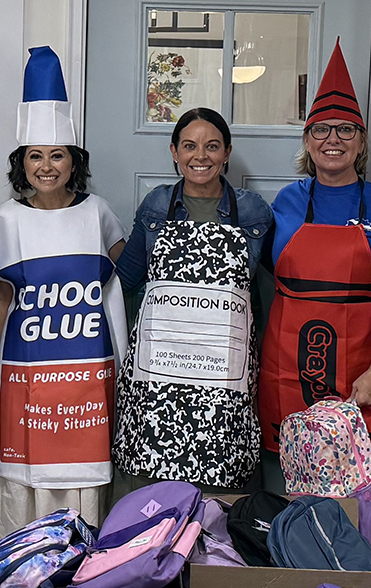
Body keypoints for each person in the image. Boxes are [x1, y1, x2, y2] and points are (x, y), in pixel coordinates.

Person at [0, 48, 128, 537]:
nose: (46, 166)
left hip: (86, 373)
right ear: (22, 162)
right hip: (27, 372)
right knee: (23, 473)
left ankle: (80, 580)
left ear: (73, 161)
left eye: (57, 155)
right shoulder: (6, 219)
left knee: (83, 473)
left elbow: (121, 278)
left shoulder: (97, 213)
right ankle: (19, 572)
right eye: (35, 156)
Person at [260, 41, 371, 492]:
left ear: (362, 141)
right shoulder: (285, 202)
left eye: (346, 130)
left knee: (355, 494)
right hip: (287, 366)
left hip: (360, 370)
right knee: (285, 489)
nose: (333, 140)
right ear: (307, 139)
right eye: (322, 130)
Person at [111, 105, 270, 489]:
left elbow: (274, 283)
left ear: (227, 152)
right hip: (159, 370)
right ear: (174, 151)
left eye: (212, 146)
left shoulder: (252, 211)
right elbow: (126, 279)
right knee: (152, 479)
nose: (200, 156)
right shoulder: (155, 206)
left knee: (221, 482)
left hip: (222, 373)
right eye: (189, 146)